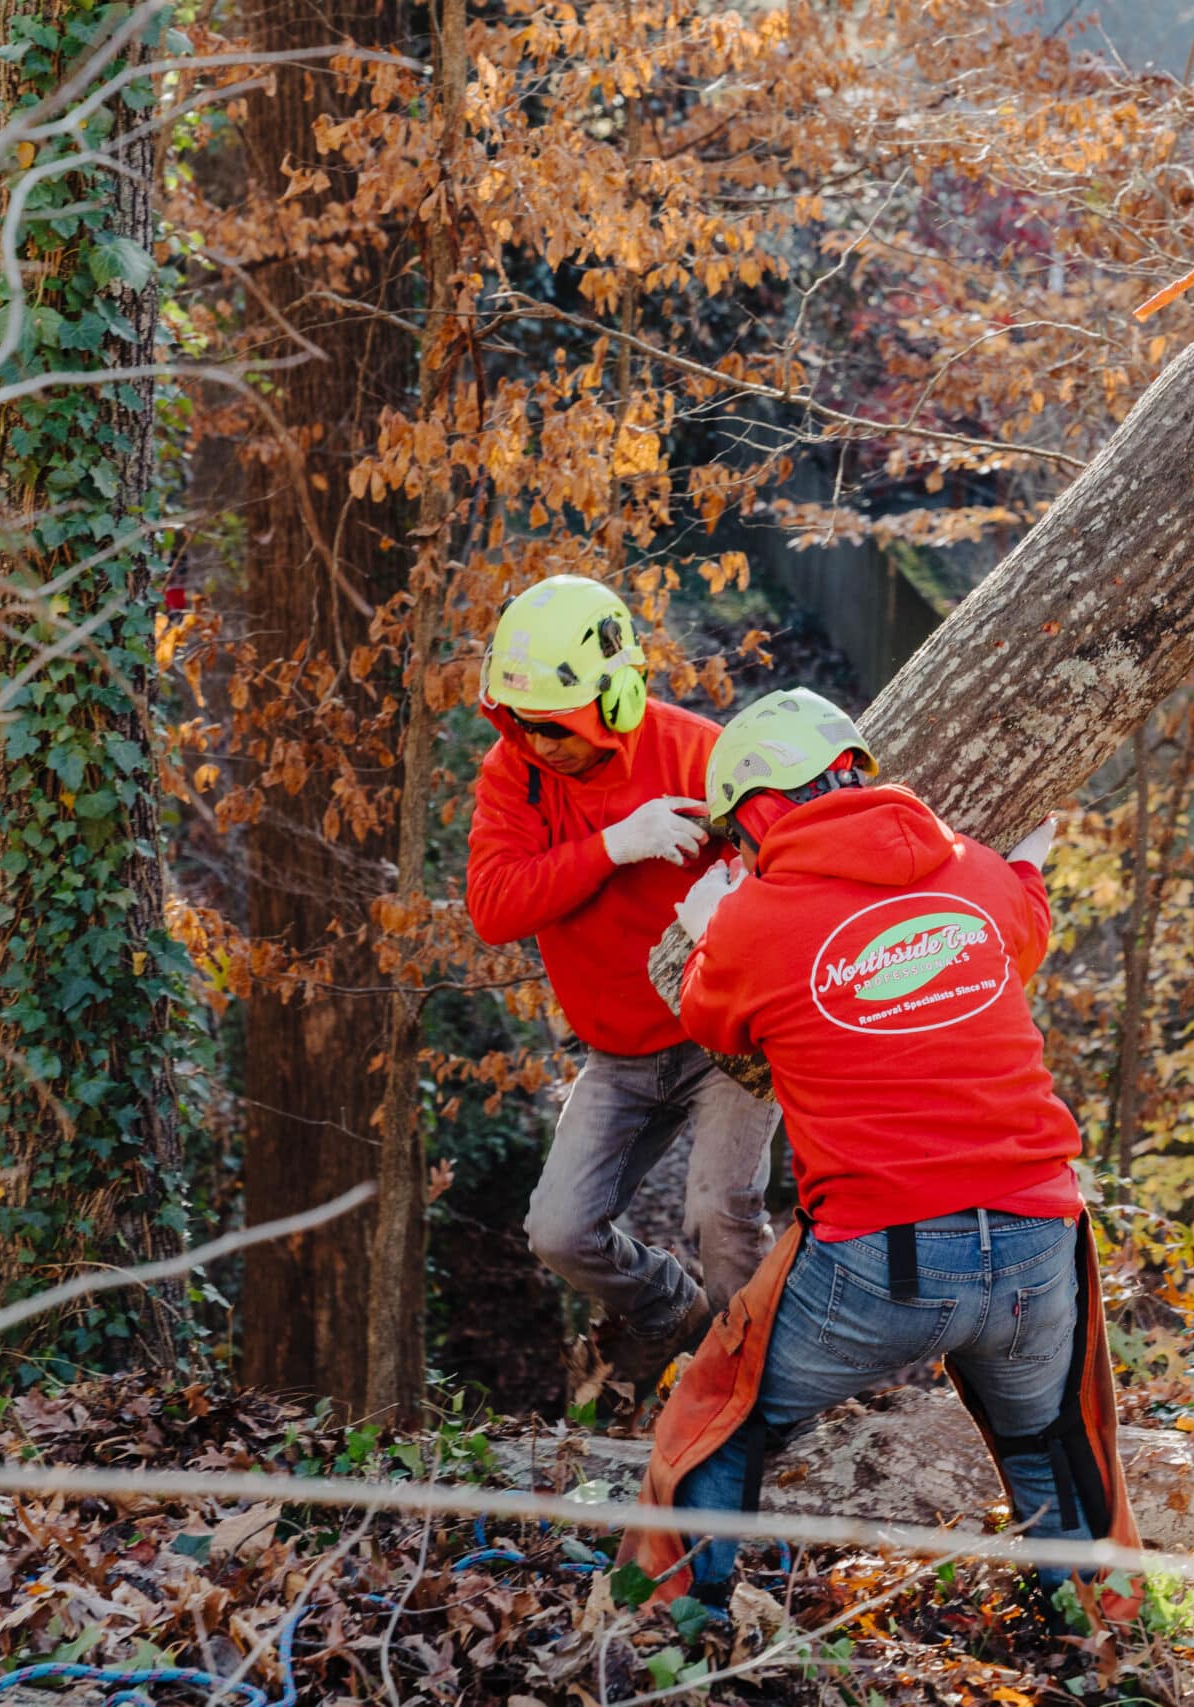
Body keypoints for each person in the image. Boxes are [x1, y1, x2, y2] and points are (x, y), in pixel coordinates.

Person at [626, 687, 1138, 1614]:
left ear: (754, 813)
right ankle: (1093, 1633)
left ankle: (677, 1625)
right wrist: (1023, 872)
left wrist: (709, 922)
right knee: (1047, 1443)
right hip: (1037, 1241)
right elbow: (1024, 925)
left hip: (879, 1257)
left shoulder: (750, 924)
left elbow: (707, 1011)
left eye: (736, 838)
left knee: (717, 1420)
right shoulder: (978, 874)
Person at [465, 575, 777, 1396]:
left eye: (553, 727)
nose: (537, 741)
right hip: (618, 1049)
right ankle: (675, 1312)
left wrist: (729, 895)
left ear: (615, 697)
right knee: (559, 1231)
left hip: (723, 1037)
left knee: (721, 1213)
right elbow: (494, 907)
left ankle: (758, 1392)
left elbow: (781, 857)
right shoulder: (516, 775)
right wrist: (613, 845)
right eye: (520, 723)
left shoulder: (699, 750)